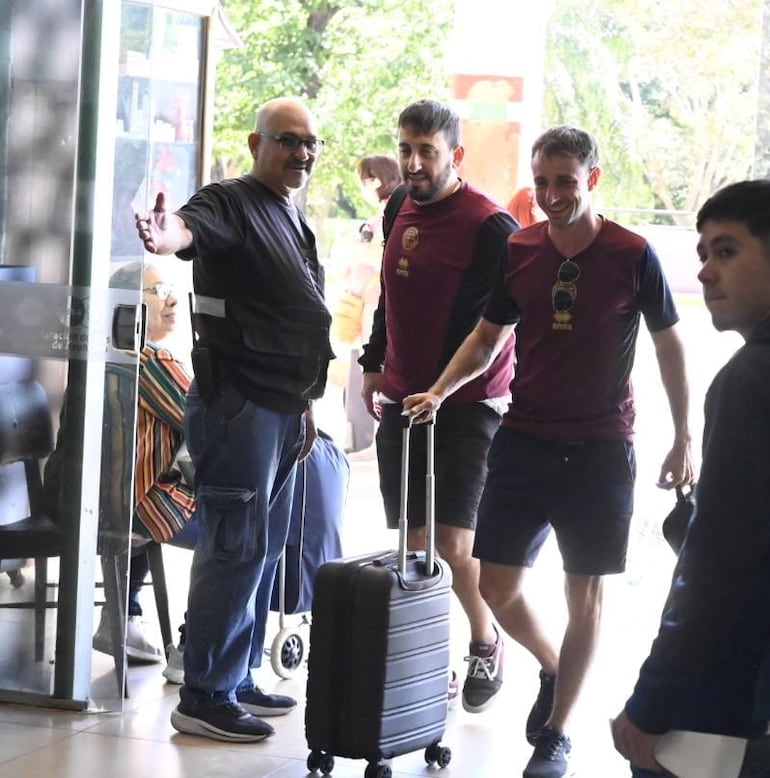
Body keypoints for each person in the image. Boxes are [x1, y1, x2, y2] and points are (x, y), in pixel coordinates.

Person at [403, 124, 693, 778]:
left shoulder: (632, 253)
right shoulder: (520, 249)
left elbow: (669, 343)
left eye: (566, 181)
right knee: (496, 584)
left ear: (593, 179)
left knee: (583, 596)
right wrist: (441, 390)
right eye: (542, 182)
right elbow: (487, 337)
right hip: (524, 438)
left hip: (600, 449)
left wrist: (683, 435)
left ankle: (557, 735)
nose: (552, 194)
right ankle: (556, 668)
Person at [134, 96, 332, 743]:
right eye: (288, 140)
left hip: (282, 408)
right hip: (239, 405)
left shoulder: (288, 212)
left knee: (263, 548)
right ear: (256, 144)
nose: (301, 152)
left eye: (310, 142)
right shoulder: (231, 201)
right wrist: (163, 233)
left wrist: (305, 405)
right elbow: (185, 230)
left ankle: (237, 673)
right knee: (234, 545)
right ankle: (205, 695)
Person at [358, 99, 519, 714]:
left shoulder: (490, 225)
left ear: (456, 155)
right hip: (404, 395)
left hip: (468, 404)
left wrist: (445, 389)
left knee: (453, 543)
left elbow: (501, 327)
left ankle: (484, 640)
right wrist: (374, 362)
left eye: (427, 151)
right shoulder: (398, 204)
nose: (414, 162)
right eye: (406, 149)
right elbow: (389, 293)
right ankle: (428, 658)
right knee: (414, 543)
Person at [611, 179, 770, 777]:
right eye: (702, 254)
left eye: (726, 251)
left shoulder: (751, 379)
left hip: (740, 680)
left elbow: (720, 560)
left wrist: (653, 699)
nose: (705, 271)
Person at [44, 261, 197, 665]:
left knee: (151, 477)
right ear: (128, 304)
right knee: (237, 523)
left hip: (85, 500)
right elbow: (204, 421)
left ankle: (122, 617)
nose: (173, 300)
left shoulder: (98, 351)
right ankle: (197, 644)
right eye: (159, 291)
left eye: (170, 289)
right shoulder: (150, 360)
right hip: (128, 510)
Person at [336, 154, 402, 454]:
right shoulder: (383, 217)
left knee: (371, 372)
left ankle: (366, 439)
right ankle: (363, 439)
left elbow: (381, 258)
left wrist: (354, 251)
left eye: (366, 180)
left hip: (377, 310)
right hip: (369, 308)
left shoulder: (392, 217)